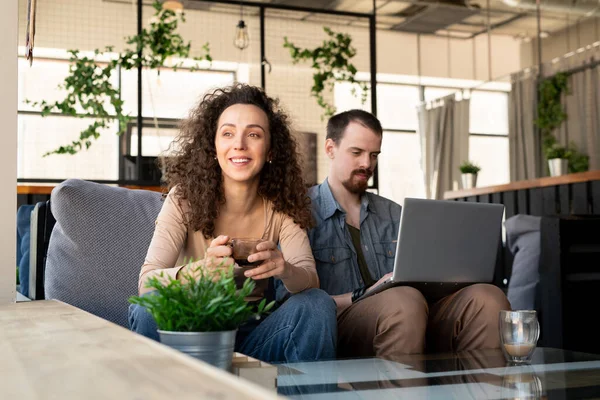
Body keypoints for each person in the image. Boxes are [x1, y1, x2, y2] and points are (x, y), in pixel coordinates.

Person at [129, 84, 337, 363]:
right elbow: (147, 283)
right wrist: (201, 271)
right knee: (148, 306)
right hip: (190, 330)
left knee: (317, 303)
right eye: (227, 133)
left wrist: (284, 268)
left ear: (271, 149)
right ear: (213, 147)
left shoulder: (282, 204)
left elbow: (310, 279)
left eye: (253, 134)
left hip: (254, 333)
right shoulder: (184, 198)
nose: (239, 144)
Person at [307, 109, 510, 359]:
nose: (366, 164)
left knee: (488, 298)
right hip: (344, 322)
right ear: (330, 148)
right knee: (403, 301)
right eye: (356, 152)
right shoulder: (303, 212)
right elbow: (295, 305)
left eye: (374, 155)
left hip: (412, 313)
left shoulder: (395, 213)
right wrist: (367, 293)